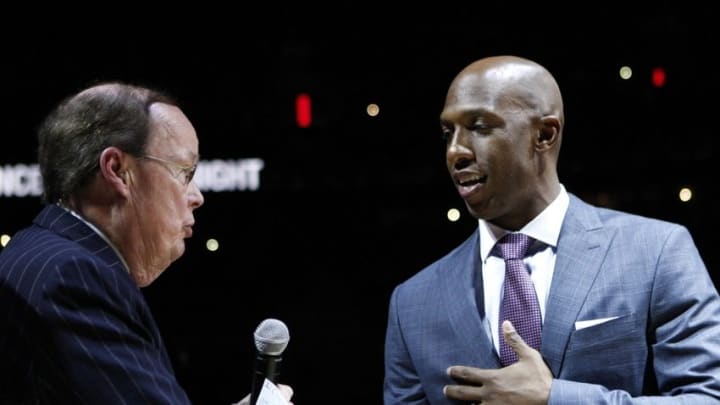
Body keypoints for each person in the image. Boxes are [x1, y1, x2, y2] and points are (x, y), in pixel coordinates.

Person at [383, 55, 720, 404]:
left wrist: (554, 398)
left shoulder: (656, 251)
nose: (455, 151)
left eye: (480, 126)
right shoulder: (412, 304)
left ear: (544, 134)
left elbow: (708, 397)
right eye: (447, 132)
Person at [0, 82, 293, 404]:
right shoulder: (73, 278)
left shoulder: (35, 253)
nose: (197, 196)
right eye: (185, 171)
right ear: (117, 170)